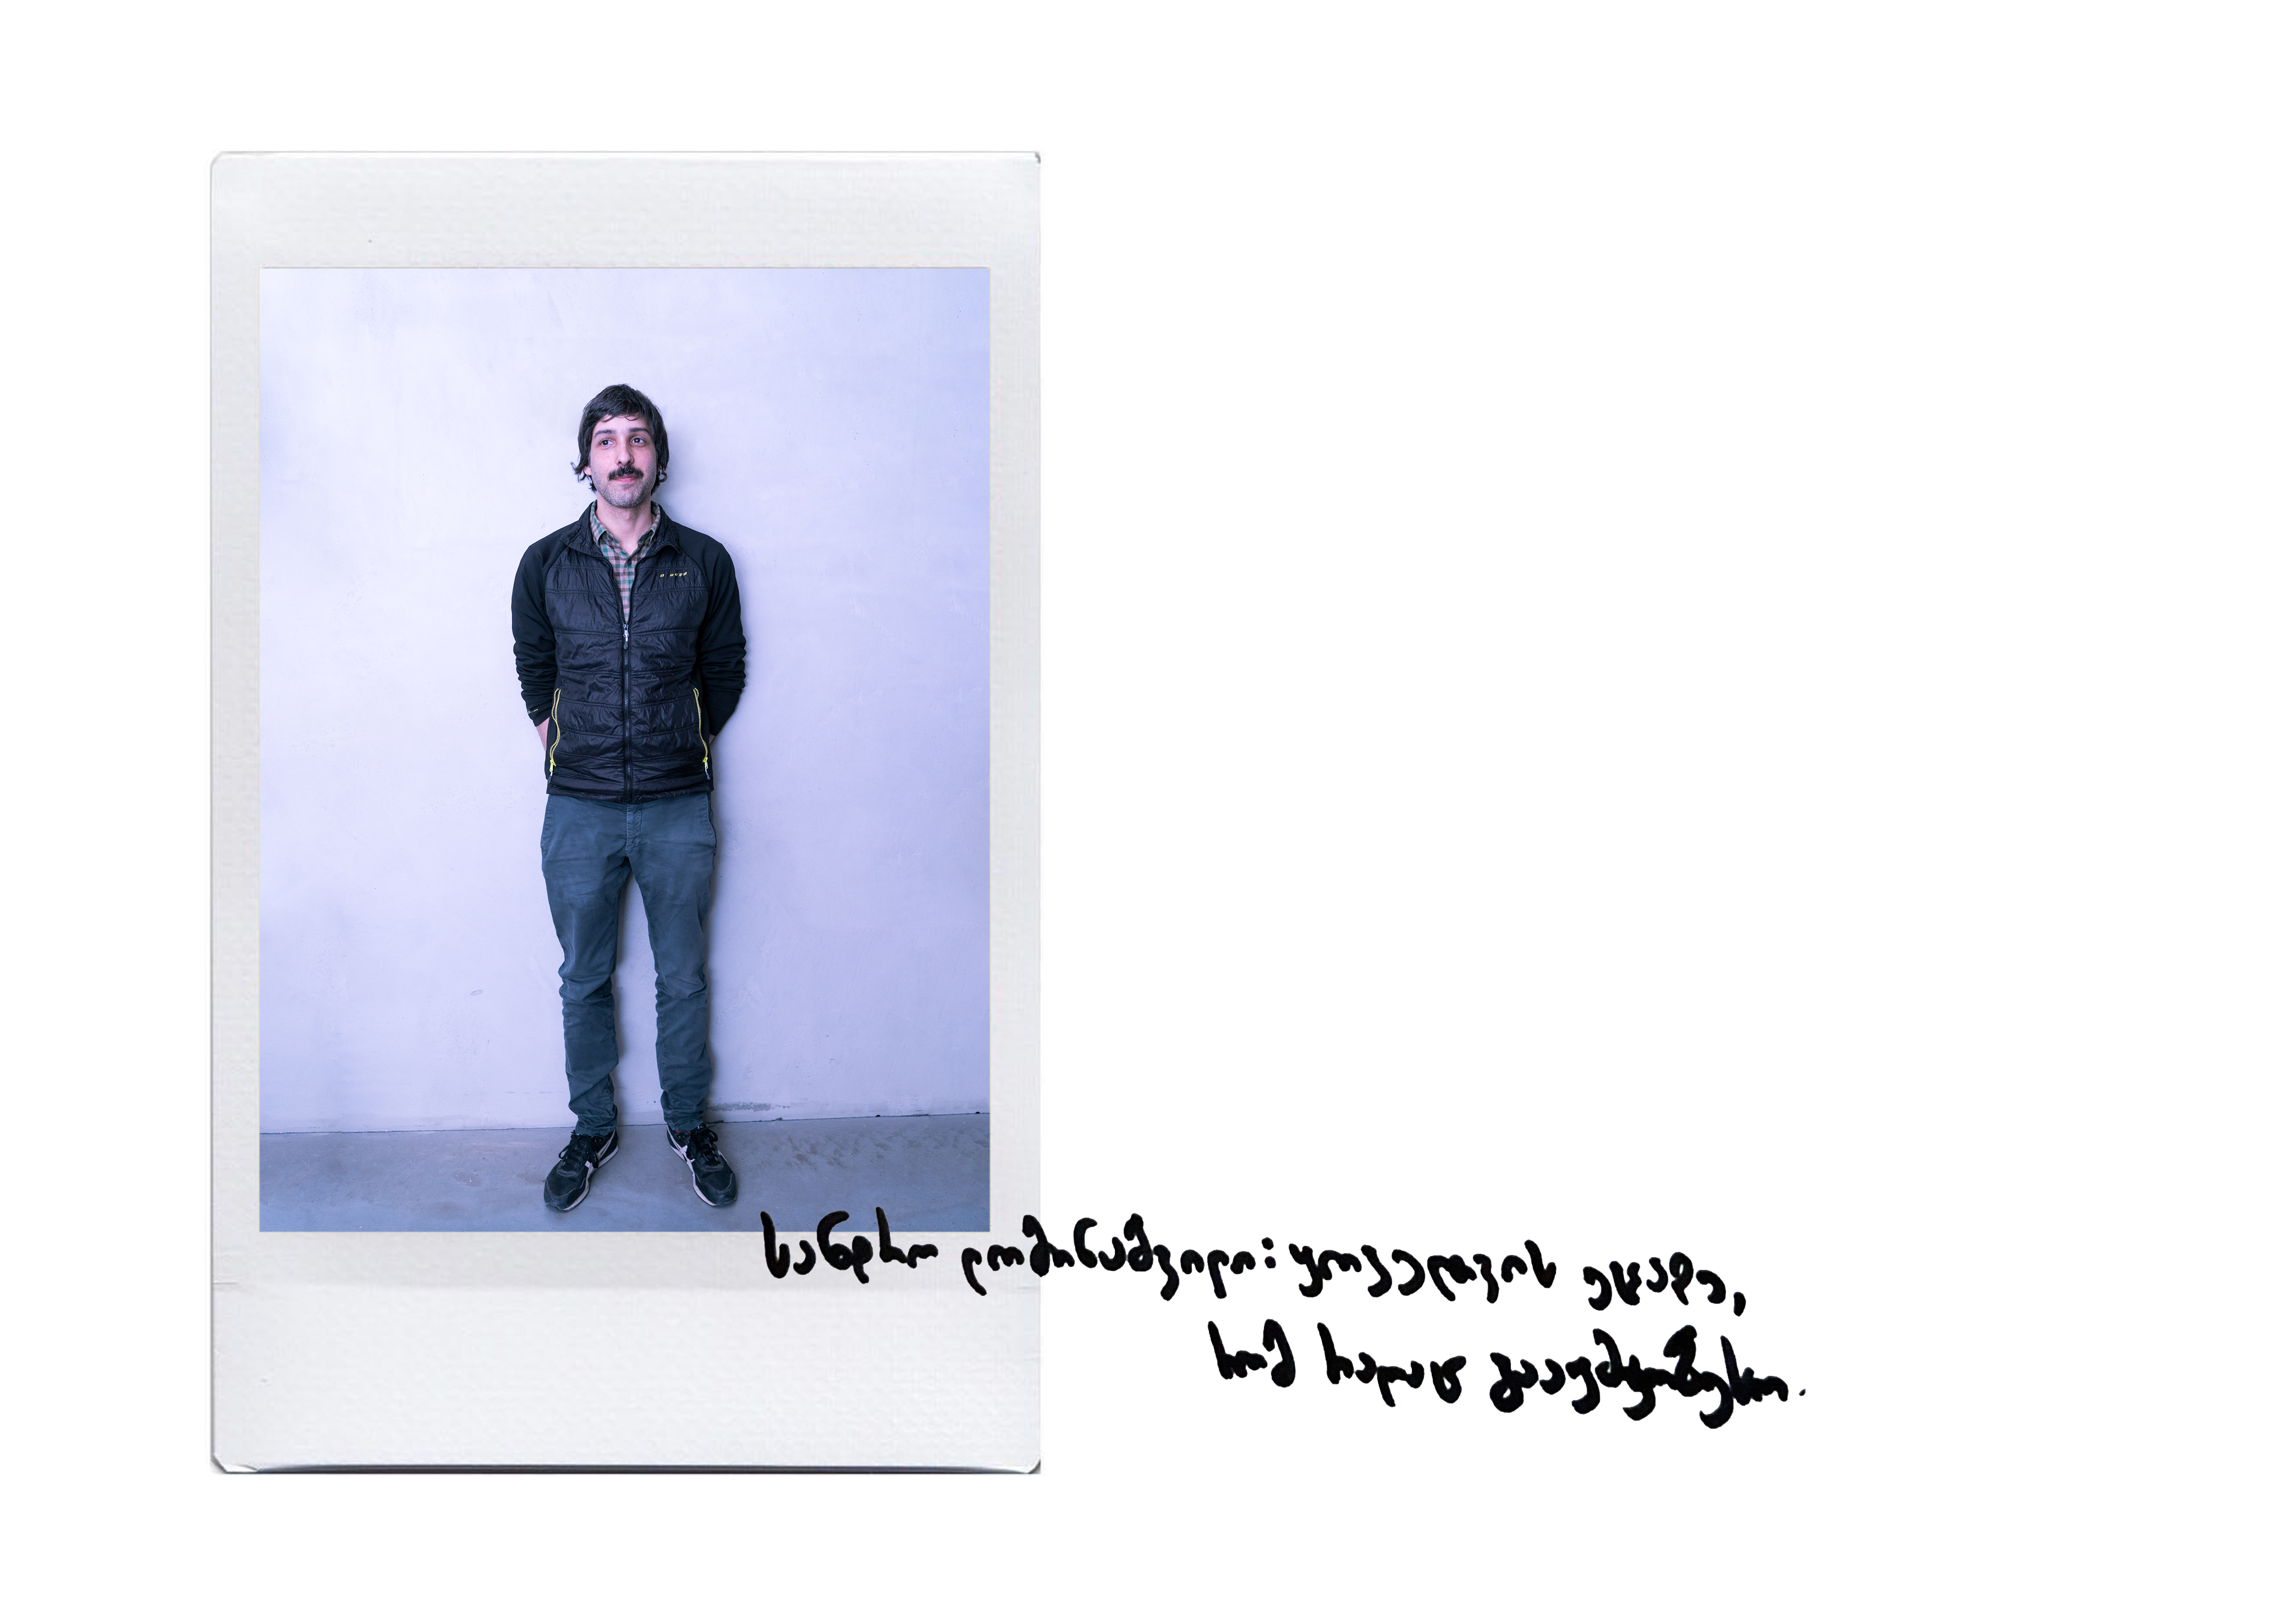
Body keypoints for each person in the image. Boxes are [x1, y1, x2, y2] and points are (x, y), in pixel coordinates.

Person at [510, 384, 748, 1213]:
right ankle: (593, 1127)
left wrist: (680, 735)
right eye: (607, 440)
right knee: (584, 977)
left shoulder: (703, 561)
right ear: (586, 462)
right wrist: (560, 732)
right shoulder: (545, 563)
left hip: (678, 802)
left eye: (638, 439)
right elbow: (533, 663)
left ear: (659, 458)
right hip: (577, 806)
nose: (623, 455)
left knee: (682, 975)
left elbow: (725, 668)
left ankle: (688, 1123)